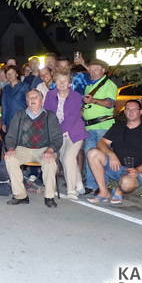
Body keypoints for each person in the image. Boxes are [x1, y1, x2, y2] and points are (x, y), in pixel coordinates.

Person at [86, 100, 142, 205]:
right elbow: (101, 143)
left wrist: (138, 170)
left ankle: (119, 190)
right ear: (124, 112)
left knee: (127, 183)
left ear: (140, 112)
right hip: (116, 167)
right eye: (128, 109)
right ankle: (103, 192)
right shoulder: (118, 127)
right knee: (92, 153)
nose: (130, 111)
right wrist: (111, 154)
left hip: (136, 171)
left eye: (134, 109)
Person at [3, 90, 64, 208]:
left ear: (42, 100)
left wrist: (50, 150)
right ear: (26, 101)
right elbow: (11, 135)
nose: (32, 100)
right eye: (29, 98)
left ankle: (49, 197)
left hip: (44, 149)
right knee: (9, 158)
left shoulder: (50, 116)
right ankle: (20, 195)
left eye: (35, 97)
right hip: (23, 148)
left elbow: (57, 138)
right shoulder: (19, 115)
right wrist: (10, 148)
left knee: (50, 161)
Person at [44, 69, 87, 200]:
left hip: (75, 131)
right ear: (55, 82)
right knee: (64, 159)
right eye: (59, 80)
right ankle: (78, 183)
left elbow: (72, 118)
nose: (62, 83)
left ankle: (71, 190)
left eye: (65, 81)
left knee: (68, 158)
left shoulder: (76, 96)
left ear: (69, 83)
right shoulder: (50, 95)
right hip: (58, 132)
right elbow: (47, 113)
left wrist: (59, 131)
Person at [81, 58, 118, 192]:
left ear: (103, 70)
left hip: (104, 126)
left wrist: (94, 100)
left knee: (103, 155)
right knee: (89, 155)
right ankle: (91, 185)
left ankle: (103, 185)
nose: (92, 72)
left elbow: (110, 103)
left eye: (96, 69)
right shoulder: (89, 86)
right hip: (89, 127)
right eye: (91, 70)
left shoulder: (109, 84)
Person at [0, 65, 27, 134]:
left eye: (12, 73)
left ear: (17, 74)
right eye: (8, 74)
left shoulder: (25, 86)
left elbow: (29, 104)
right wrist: (3, 122)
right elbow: (4, 106)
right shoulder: (5, 89)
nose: (10, 75)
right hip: (9, 121)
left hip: (22, 120)